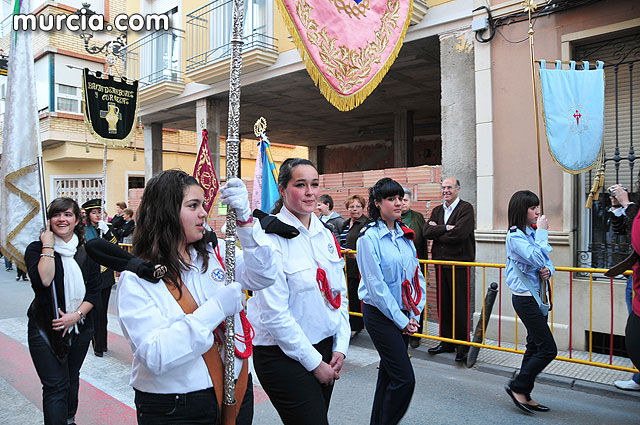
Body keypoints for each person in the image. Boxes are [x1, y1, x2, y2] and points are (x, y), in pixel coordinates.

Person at [116, 169, 276, 424]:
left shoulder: (217, 254)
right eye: (193, 205)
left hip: (235, 390)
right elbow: (156, 354)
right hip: (177, 405)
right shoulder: (137, 278)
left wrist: (246, 222)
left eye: (203, 204)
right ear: (165, 212)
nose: (203, 212)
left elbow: (265, 275)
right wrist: (215, 309)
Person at [248, 158, 350, 425]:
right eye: (300, 184)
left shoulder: (325, 234)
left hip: (325, 347)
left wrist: (341, 345)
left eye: (314, 184)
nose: (310, 192)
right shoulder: (267, 239)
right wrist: (315, 363)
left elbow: (338, 294)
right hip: (283, 355)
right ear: (282, 190)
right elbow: (274, 315)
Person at [25, 197, 100, 425]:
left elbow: (94, 292)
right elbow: (44, 281)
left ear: (77, 219)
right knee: (55, 385)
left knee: (70, 378)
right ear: (49, 220)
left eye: (67, 214)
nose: (62, 219)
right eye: (56, 214)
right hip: (44, 329)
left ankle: (69, 419)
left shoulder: (87, 250)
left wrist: (75, 316)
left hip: (80, 326)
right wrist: (48, 245)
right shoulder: (36, 249)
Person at [357, 177, 426, 425]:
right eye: (391, 199)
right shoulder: (368, 238)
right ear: (377, 203)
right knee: (404, 379)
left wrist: (415, 314)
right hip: (380, 315)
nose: (398, 203)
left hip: (405, 314)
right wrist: (401, 320)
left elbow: (417, 276)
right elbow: (376, 286)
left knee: (388, 376)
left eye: (399, 198)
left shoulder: (405, 234)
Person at [504, 190, 556, 414]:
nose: (538, 212)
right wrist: (543, 233)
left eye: (538, 207)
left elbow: (547, 262)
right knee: (548, 349)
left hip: (537, 297)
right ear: (521, 210)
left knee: (534, 346)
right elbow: (536, 257)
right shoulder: (515, 236)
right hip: (525, 299)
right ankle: (516, 385)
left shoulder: (531, 234)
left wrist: (549, 271)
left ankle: (524, 392)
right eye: (533, 208)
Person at [423, 177, 476, 362]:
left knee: (460, 304)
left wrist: (437, 231)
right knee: (443, 303)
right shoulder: (437, 210)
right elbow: (426, 232)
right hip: (440, 263)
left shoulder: (466, 208)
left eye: (450, 187)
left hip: (459, 264)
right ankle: (446, 342)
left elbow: (460, 234)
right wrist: (445, 227)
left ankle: (462, 345)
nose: (446, 190)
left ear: (458, 189)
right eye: (443, 187)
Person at [607, 184, 640, 391]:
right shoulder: (634, 209)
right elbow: (620, 230)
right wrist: (617, 206)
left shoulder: (634, 207)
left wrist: (626, 203)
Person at [82, 198, 118, 358]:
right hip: (92, 274)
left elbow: (115, 245)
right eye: (94, 213)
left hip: (106, 274)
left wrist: (107, 231)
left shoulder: (105, 228)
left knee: (103, 313)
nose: (97, 215)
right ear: (88, 214)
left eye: (99, 212)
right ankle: (97, 345)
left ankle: (102, 344)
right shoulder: (84, 230)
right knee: (96, 311)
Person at [339, 194, 369, 337]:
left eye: (358, 206)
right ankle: (351, 323)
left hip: (359, 266)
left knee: (357, 295)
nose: (354, 209)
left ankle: (357, 326)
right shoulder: (345, 223)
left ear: (363, 208)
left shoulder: (366, 223)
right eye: (351, 207)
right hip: (346, 266)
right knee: (349, 295)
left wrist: (356, 255)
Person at [401, 187, 427, 348]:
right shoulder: (392, 218)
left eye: (405, 200)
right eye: (400, 200)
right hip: (400, 268)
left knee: (416, 298)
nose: (402, 204)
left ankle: (416, 334)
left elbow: (423, 241)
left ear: (410, 201)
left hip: (415, 265)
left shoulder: (417, 217)